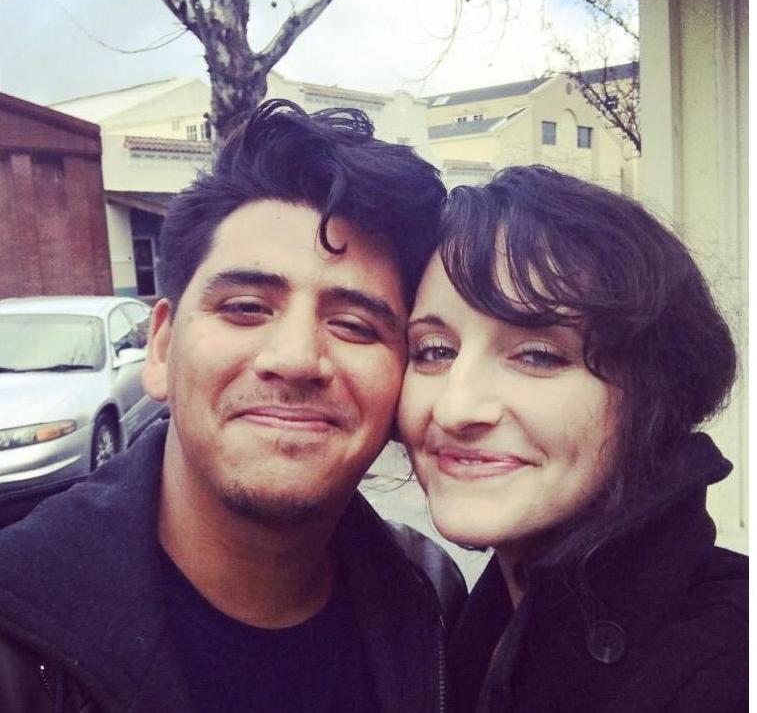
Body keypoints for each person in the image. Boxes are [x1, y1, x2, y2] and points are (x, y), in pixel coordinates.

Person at [0, 100, 466, 712]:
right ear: (161, 349)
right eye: (245, 308)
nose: (296, 358)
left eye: (354, 325)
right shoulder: (17, 635)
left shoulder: (430, 597)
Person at [398, 165, 748, 713]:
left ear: (654, 398)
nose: (455, 408)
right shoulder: (466, 627)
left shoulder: (730, 663)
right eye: (434, 351)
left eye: (538, 356)